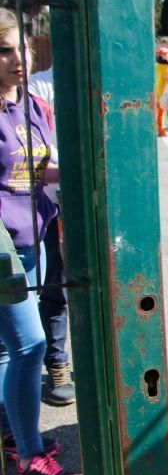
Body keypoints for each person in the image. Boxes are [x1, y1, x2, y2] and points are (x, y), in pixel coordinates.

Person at [0, 7, 82, 475]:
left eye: (22, 48)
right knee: (29, 347)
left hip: (37, 240)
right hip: (4, 250)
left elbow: (38, 170)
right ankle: (30, 461)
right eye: (4, 50)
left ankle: (14, 432)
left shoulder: (31, 105)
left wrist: (75, 176)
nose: (18, 59)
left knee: (12, 352)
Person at [28, 66, 76, 406]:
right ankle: (57, 361)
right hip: (52, 201)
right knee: (55, 286)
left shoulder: (100, 78)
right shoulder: (38, 88)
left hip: (94, 201)